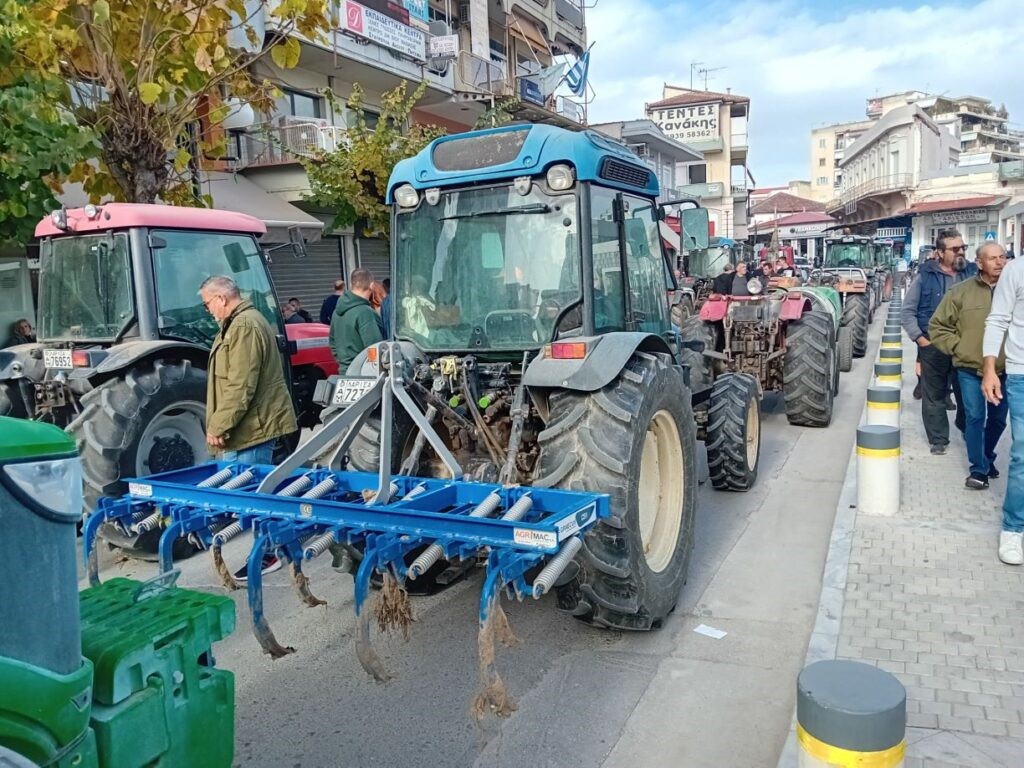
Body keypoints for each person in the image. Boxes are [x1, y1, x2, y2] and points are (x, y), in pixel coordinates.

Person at [929, 243, 1008, 490]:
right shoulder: (960, 292)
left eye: (1002, 257)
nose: (999, 262)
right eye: (993, 258)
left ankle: (986, 456)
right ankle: (978, 469)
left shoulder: (1014, 291)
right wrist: (960, 348)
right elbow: (937, 326)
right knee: (975, 417)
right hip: (969, 369)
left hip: (1005, 370)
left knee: (998, 420)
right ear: (980, 262)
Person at [902, 229, 971, 454]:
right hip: (933, 345)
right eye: (955, 249)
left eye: (963, 248)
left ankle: (966, 427)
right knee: (934, 395)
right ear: (940, 253)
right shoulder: (925, 277)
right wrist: (921, 340)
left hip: (966, 347)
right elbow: (907, 312)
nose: (961, 252)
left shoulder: (972, 274)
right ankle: (939, 439)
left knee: (968, 395)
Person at [982, 251, 1024, 563]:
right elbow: (998, 319)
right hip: (1021, 373)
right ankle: (1013, 528)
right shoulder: (1016, 271)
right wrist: (989, 369)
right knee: (1022, 455)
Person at [330, 268, 384, 371]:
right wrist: (374, 369)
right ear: (371, 285)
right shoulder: (365, 312)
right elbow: (374, 346)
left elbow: (332, 342)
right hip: (363, 373)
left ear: (352, 285)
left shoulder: (336, 312)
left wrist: (343, 362)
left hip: (345, 371)